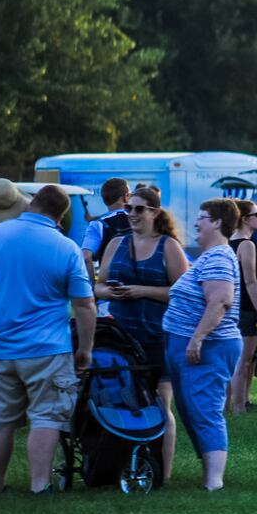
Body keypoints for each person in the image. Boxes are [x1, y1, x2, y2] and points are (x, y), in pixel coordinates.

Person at [0, 181, 96, 494]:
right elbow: (84, 304)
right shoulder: (66, 247)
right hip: (48, 348)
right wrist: (86, 350)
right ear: (61, 216)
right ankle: (40, 485)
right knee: (47, 416)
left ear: (32, 202)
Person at [95, 185, 188, 479]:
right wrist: (110, 292)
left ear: (154, 212)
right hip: (121, 339)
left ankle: (163, 472)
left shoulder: (169, 246)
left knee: (160, 403)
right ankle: (119, 465)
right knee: (122, 402)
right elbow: (97, 285)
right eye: (128, 209)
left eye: (138, 209)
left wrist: (142, 291)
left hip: (157, 337)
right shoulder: (116, 244)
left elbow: (183, 293)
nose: (131, 214)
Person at [160, 199, 242, 491]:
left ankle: (214, 481)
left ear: (218, 223)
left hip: (209, 347)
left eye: (203, 218)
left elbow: (221, 300)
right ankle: (208, 474)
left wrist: (197, 338)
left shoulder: (219, 257)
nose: (196, 223)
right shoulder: (210, 257)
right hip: (189, 345)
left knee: (205, 410)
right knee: (194, 410)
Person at [228, 200, 257, 415]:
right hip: (245, 307)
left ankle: (228, 405)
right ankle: (239, 406)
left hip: (231, 306)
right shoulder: (247, 245)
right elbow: (250, 281)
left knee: (233, 361)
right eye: (256, 215)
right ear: (244, 219)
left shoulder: (227, 243)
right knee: (243, 362)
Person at [81, 177, 132, 286]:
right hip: (140, 288)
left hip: (109, 290)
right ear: (126, 197)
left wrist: (95, 284)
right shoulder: (139, 220)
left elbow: (86, 257)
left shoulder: (97, 225)